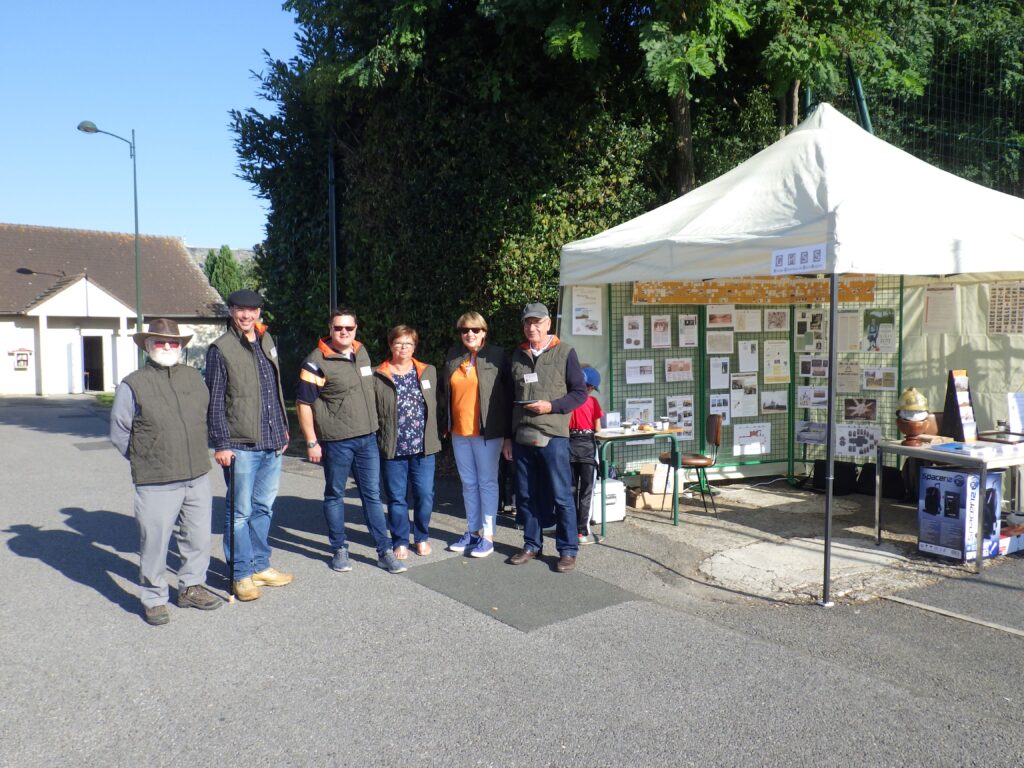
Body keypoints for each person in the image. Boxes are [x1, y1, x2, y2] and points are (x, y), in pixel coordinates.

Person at [110, 318, 221, 625]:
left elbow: (206, 416)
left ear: (181, 347)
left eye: (173, 343)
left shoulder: (193, 377)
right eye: (160, 342)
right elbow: (120, 431)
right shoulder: (133, 384)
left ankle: (191, 587)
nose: (168, 347)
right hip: (156, 479)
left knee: (197, 538)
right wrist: (145, 458)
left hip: (196, 472)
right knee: (154, 542)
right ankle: (154, 597)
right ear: (148, 345)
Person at [296, 309, 407, 575]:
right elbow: (303, 404)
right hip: (337, 442)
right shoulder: (316, 361)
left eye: (349, 327)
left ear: (356, 328)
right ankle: (339, 550)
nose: (344, 332)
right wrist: (312, 441)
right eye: (338, 328)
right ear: (330, 329)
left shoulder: (362, 352)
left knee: (372, 495)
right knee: (335, 495)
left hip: (367, 438)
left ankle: (384, 552)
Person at [206, 288, 293, 602]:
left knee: (263, 508)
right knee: (239, 512)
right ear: (231, 311)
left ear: (259, 313)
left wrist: (283, 429)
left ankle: (260, 566)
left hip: (271, 441)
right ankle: (240, 574)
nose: (247, 315)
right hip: (240, 445)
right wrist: (221, 444)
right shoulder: (220, 349)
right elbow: (214, 402)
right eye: (241, 310)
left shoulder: (267, 340)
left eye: (252, 310)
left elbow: (275, 389)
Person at [503, 302, 587, 572]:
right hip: (522, 436)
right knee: (526, 495)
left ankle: (567, 550)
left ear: (548, 323)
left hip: (554, 437)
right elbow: (506, 400)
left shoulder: (565, 352)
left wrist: (551, 406)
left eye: (537, 322)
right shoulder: (517, 355)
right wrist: (507, 437)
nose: (532, 327)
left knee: (561, 495)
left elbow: (580, 393)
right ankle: (531, 544)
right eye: (528, 322)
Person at [438, 311, 512, 558]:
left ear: (484, 332)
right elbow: (443, 392)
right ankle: (472, 531)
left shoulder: (498, 356)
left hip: (487, 432)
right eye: (464, 330)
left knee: (487, 482)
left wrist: (509, 435)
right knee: (468, 483)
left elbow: (509, 397)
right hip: (459, 431)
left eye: (475, 330)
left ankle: (488, 536)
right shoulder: (453, 356)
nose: (470, 334)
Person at [374, 325, 441, 559]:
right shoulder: (378, 374)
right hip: (393, 445)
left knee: (424, 494)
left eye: (408, 343)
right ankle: (400, 539)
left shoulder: (427, 371)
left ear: (415, 346)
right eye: (399, 343)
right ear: (391, 344)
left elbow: (437, 403)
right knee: (396, 497)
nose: (403, 347)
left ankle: (421, 536)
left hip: (423, 447)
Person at [569, 367, 604, 545]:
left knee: (571, 489)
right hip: (588, 448)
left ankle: (569, 528)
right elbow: (597, 429)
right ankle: (582, 532)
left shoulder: (568, 401)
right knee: (586, 491)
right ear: (589, 387)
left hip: (569, 445)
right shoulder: (593, 402)